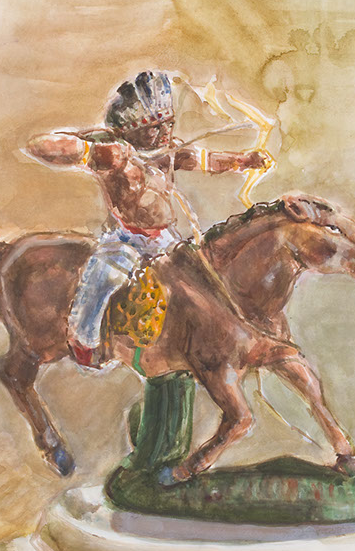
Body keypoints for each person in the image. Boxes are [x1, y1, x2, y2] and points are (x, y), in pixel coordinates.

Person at [24, 70, 269, 367]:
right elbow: (40, 145)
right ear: (131, 131)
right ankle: (84, 341)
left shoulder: (170, 152)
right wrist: (90, 143)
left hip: (166, 239)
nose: (165, 133)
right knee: (105, 278)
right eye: (154, 128)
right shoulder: (114, 156)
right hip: (125, 240)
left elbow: (205, 160)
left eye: (168, 124)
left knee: (201, 276)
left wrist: (243, 161)